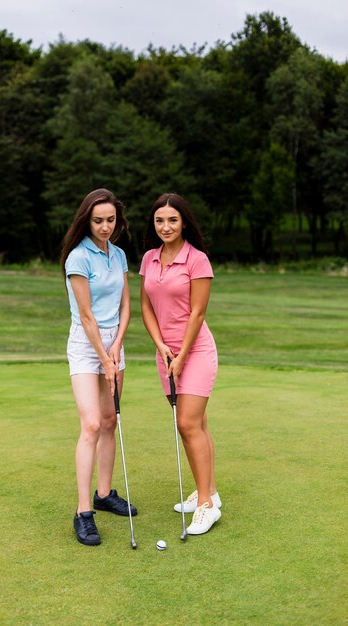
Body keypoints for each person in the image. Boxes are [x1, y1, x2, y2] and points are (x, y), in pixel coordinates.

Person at [140, 193, 221, 535]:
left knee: (188, 424)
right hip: (167, 354)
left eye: (172, 220)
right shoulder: (149, 258)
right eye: (160, 220)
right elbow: (145, 306)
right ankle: (210, 493)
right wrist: (161, 347)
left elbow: (198, 313)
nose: (166, 226)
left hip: (196, 350)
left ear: (183, 222)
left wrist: (182, 353)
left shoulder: (197, 260)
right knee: (195, 424)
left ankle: (205, 507)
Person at [60, 188, 137, 547]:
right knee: (91, 424)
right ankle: (82, 512)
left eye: (110, 220)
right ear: (85, 221)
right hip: (85, 344)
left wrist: (117, 347)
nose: (105, 226)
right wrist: (104, 358)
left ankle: (103, 494)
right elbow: (87, 316)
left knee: (110, 420)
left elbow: (126, 308)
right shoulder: (78, 258)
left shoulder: (119, 255)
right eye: (97, 220)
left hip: (113, 342)